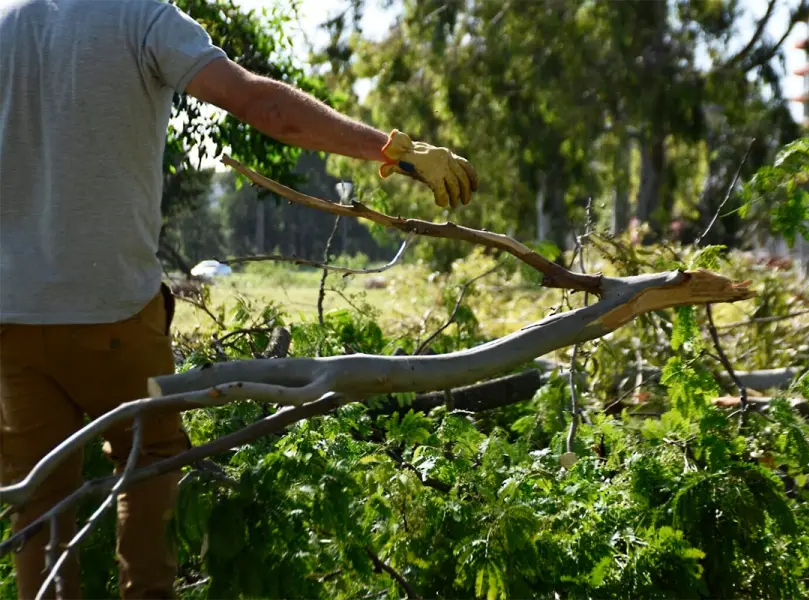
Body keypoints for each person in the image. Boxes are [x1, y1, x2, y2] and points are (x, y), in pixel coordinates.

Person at [0, 0, 478, 598]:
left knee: (39, 504)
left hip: (14, 319)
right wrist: (394, 149)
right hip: (113, 312)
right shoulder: (141, 17)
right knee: (152, 465)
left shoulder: (8, 24)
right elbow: (267, 108)